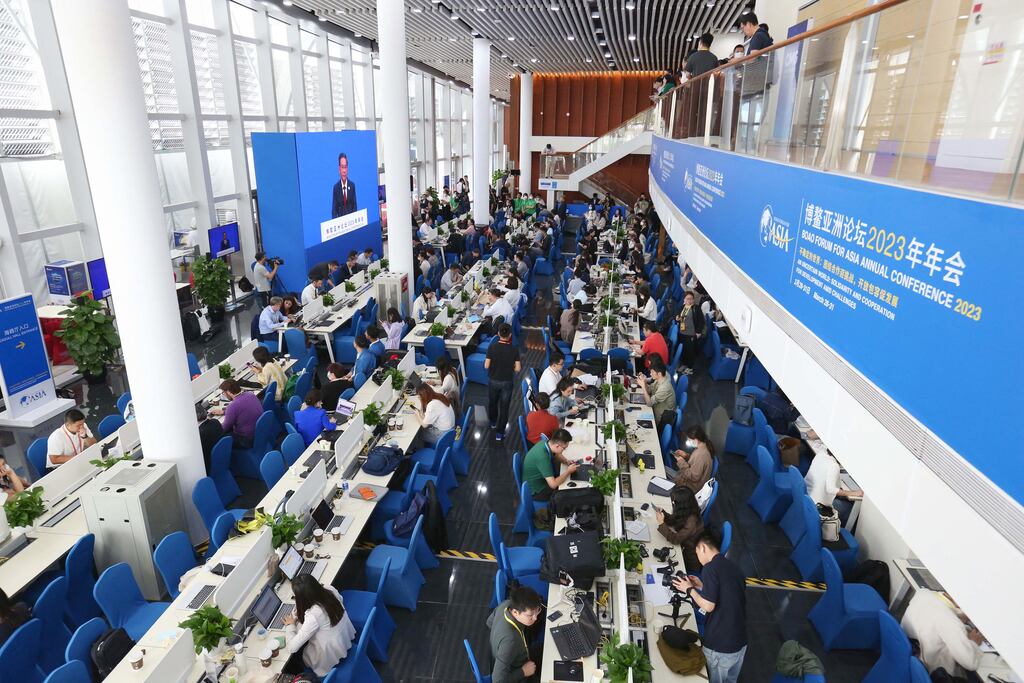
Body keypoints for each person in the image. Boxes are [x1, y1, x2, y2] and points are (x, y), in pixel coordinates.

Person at [673, 529, 747, 683]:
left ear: (703, 548)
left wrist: (689, 589)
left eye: (697, 553)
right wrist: (701, 586)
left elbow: (708, 606)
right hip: (740, 644)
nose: (698, 559)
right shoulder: (733, 567)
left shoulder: (709, 568)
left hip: (720, 648)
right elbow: (726, 594)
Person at [282, 574, 357, 678]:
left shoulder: (314, 614)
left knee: (295, 657)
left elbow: (292, 648)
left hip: (330, 658)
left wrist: (290, 625)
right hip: (344, 641)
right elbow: (341, 599)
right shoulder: (329, 589)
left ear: (302, 598)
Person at [901, 591, 983, 676]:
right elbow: (970, 662)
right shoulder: (951, 623)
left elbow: (936, 615)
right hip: (926, 673)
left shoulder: (923, 593)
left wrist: (957, 616)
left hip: (904, 655)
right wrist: (974, 642)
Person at [487, 584, 544, 683]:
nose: (535, 618)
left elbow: (489, 622)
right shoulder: (510, 641)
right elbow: (497, 680)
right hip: (518, 674)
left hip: (515, 656)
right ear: (515, 612)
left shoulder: (505, 605)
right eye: (530, 615)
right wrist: (523, 672)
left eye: (537, 611)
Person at [804, 450, 862, 527]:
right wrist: (854, 493)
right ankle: (836, 529)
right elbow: (830, 489)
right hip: (819, 506)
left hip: (808, 497)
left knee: (843, 498)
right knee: (849, 508)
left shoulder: (821, 454)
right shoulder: (834, 466)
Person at [484, 323, 520, 441]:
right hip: (507, 382)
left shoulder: (492, 347)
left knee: (493, 402)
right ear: (510, 335)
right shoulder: (514, 349)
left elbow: (486, 365)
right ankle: (500, 434)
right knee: (504, 407)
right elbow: (518, 369)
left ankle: (493, 422)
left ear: (498, 333)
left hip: (493, 380)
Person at [656, 485, 704, 569]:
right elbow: (674, 520)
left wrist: (661, 524)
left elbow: (675, 539)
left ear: (681, 505)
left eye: (674, 502)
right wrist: (664, 514)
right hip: (684, 547)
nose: (672, 504)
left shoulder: (691, 522)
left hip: (689, 559)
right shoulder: (688, 509)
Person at [522, 428, 577, 501]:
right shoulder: (542, 457)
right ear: (557, 446)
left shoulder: (547, 443)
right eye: (564, 448)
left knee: (566, 479)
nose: (564, 450)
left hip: (542, 480)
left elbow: (556, 454)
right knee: (569, 492)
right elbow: (553, 485)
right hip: (537, 491)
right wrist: (568, 471)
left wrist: (566, 461)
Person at [210, 380, 262, 449]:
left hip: (247, 440)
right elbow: (242, 409)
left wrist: (211, 425)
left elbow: (224, 428)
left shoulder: (232, 406)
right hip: (259, 433)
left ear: (228, 392)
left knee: (219, 438)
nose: (224, 395)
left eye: (223, 392)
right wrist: (224, 412)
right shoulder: (250, 394)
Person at [673, 425, 714, 493]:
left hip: (689, 488)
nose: (688, 441)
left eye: (689, 440)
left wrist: (681, 462)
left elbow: (693, 477)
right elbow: (695, 463)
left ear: (696, 439)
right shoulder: (702, 447)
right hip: (686, 480)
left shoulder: (701, 455)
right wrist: (686, 456)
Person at [639, 356, 676, 430]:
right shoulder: (659, 379)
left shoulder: (664, 387)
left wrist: (643, 386)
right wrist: (644, 382)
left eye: (652, 372)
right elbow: (649, 390)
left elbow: (649, 403)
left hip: (660, 418)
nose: (650, 374)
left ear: (659, 374)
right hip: (655, 409)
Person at [677, 290, 705, 375]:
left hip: (691, 334)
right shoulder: (682, 307)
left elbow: (701, 321)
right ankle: (684, 365)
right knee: (684, 350)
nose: (689, 301)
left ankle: (690, 368)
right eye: (687, 299)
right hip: (682, 332)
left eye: (691, 299)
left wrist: (698, 332)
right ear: (684, 299)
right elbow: (679, 316)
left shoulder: (696, 308)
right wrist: (677, 319)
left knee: (690, 351)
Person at [331, 152, 357, 218]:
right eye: (342, 167)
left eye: (345, 167)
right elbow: (334, 211)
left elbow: (355, 207)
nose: (344, 171)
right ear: (339, 169)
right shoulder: (336, 188)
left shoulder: (352, 186)